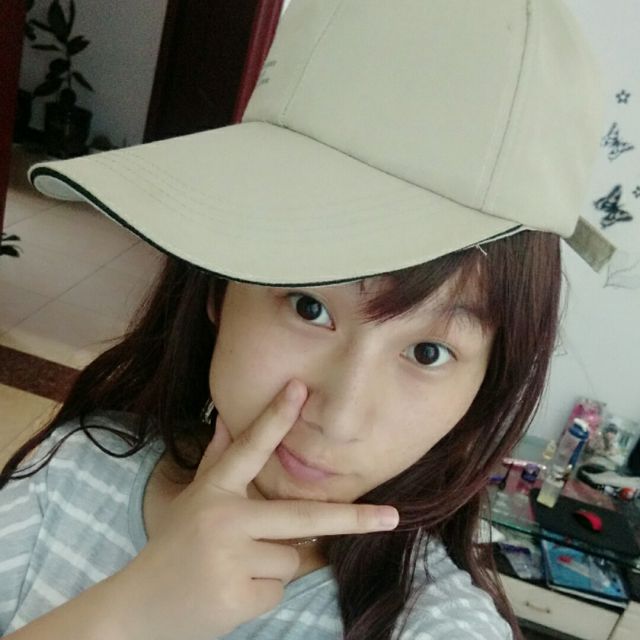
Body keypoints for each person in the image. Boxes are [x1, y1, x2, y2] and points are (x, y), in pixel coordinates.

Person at [0, 1, 603, 639]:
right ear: (218, 287)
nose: (338, 418)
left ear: (486, 382)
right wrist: (128, 614)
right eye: (310, 307)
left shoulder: (433, 627)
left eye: (428, 352)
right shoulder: (72, 471)